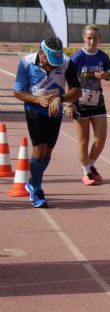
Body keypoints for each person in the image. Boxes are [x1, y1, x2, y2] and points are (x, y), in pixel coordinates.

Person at [13, 37, 81, 208]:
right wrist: (37, 100)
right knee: (39, 149)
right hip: (34, 109)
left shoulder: (66, 63)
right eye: (50, 62)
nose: (52, 66)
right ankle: (37, 190)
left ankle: (32, 181)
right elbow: (18, 92)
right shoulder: (26, 62)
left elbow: (77, 91)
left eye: (55, 63)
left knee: (48, 151)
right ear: (41, 53)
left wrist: (60, 98)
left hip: (55, 110)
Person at [65, 24, 110, 186]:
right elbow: (70, 82)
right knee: (83, 140)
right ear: (83, 38)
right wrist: (69, 104)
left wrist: (105, 75)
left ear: (100, 39)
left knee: (101, 139)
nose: (92, 41)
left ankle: (91, 166)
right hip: (80, 103)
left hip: (97, 102)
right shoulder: (77, 58)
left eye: (95, 38)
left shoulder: (103, 57)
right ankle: (86, 172)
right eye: (89, 38)